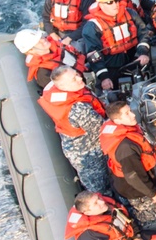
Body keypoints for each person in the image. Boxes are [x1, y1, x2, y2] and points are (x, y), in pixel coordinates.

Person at [39, 66, 109, 194]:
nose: (79, 78)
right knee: (100, 188)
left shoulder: (65, 92)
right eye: (73, 79)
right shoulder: (78, 108)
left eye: (77, 74)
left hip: (77, 145)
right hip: (89, 153)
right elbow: (102, 129)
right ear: (63, 87)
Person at [100, 101, 156, 230]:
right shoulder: (126, 147)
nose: (133, 115)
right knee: (155, 216)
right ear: (117, 120)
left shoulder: (117, 130)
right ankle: (153, 230)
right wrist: (152, 193)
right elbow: (133, 176)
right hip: (136, 190)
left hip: (122, 183)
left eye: (130, 110)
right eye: (127, 114)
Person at [82, 0, 152, 91]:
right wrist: (104, 77)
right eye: (110, 2)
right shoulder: (92, 26)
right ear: (100, 3)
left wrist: (143, 52)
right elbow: (94, 54)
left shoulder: (130, 13)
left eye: (116, 0)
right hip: (111, 68)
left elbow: (143, 33)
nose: (115, 4)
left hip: (135, 60)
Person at [13, 28, 87, 94]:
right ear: (31, 50)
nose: (43, 40)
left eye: (41, 37)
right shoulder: (43, 73)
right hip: (80, 85)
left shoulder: (56, 45)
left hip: (83, 70)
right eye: (38, 42)